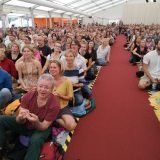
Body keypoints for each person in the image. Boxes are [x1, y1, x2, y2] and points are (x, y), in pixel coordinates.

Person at [0, 74, 60, 160]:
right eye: (41, 86)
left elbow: (43, 126)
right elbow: (19, 121)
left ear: (52, 89)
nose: (43, 89)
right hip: (26, 124)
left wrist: (36, 121)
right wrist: (20, 118)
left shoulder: (54, 105)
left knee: (35, 141)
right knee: (1, 119)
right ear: (37, 86)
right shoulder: (29, 95)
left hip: (40, 128)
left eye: (46, 87)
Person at [49, 60, 77, 131]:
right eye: (51, 67)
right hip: (49, 108)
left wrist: (60, 96)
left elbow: (70, 98)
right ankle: (54, 118)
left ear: (60, 69)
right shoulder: (48, 79)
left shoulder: (67, 81)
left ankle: (55, 119)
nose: (52, 69)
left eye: (54, 67)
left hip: (62, 108)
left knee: (72, 126)